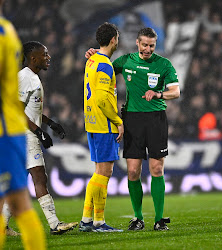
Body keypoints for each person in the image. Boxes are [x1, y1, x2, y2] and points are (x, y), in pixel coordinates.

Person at [86, 27, 180, 231]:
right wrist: (95, 54)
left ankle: (159, 219)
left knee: (156, 168)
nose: (148, 49)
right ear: (137, 43)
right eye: (144, 45)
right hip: (132, 120)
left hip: (156, 119)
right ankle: (138, 218)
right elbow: (104, 67)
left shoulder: (164, 64)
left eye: (152, 46)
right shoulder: (126, 61)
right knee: (132, 171)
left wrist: (158, 94)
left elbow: (175, 91)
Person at [3, 41, 78, 235]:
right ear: (33, 58)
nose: (48, 57)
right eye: (45, 54)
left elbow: (30, 110)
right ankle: (54, 224)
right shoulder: (25, 78)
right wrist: (38, 132)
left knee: (19, 181)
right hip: (25, 135)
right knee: (40, 178)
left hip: (24, 134)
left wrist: (50, 123)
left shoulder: (32, 77)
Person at [0, 0, 46, 248]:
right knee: (17, 202)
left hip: (4, 131)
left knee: (17, 201)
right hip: (11, 129)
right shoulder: (7, 29)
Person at [78, 22, 124, 233]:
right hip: (104, 123)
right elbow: (103, 99)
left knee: (99, 171)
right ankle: (96, 222)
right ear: (113, 39)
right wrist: (118, 121)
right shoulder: (104, 64)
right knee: (104, 172)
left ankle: (89, 220)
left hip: (92, 122)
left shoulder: (92, 61)